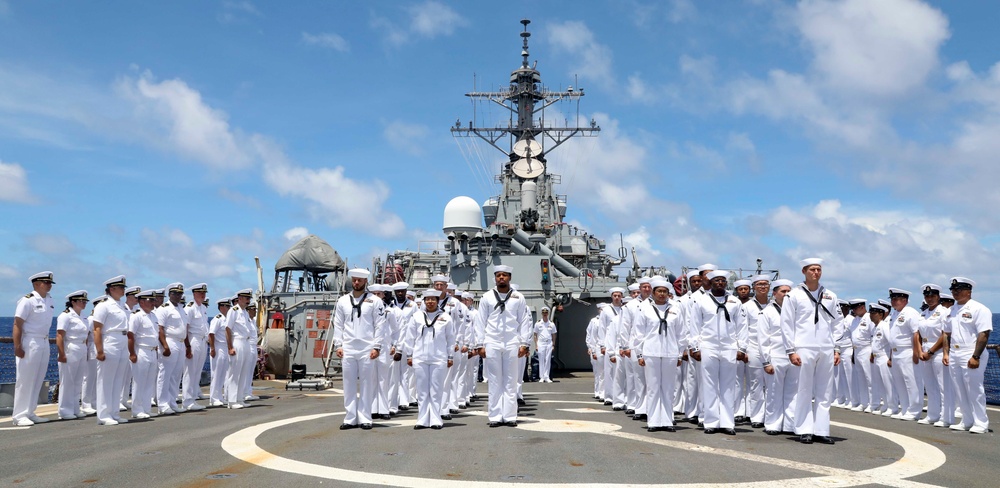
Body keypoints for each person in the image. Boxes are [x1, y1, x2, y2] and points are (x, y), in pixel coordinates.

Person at [779, 258, 846, 444]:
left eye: (818, 269)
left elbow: (838, 323)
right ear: (804, 271)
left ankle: (821, 429)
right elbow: (786, 324)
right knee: (804, 389)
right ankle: (804, 429)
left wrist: (837, 348)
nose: (816, 273)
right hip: (803, 346)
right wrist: (790, 350)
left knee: (825, 391)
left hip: (826, 346)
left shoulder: (830, 296)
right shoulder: (793, 296)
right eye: (812, 269)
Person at [474, 265, 532, 427]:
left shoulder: (518, 297)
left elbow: (524, 321)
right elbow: (480, 322)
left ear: (510, 278)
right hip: (492, 341)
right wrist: (480, 344)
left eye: (505, 275)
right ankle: (495, 416)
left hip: (512, 342)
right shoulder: (487, 297)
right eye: (498, 275)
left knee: (510, 379)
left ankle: (510, 416)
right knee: (494, 380)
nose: (501, 278)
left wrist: (524, 343)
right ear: (495, 278)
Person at [689, 270, 745, 435]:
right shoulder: (701, 301)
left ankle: (728, 422)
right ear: (711, 283)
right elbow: (695, 326)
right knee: (709, 385)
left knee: (728, 386)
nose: (720, 283)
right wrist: (695, 347)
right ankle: (711, 422)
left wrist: (741, 347)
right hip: (709, 345)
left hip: (729, 346)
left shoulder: (734, 301)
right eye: (717, 281)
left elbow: (742, 327)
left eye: (722, 281)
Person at [333, 269, 388, 430]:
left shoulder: (374, 301)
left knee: (366, 384)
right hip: (348, 347)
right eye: (354, 280)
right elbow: (338, 324)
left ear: (365, 282)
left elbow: (380, 325)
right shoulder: (343, 301)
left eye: (359, 280)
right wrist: (338, 344)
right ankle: (350, 417)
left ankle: (365, 418)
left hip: (367, 348)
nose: (356, 283)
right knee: (348, 384)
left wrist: (377, 346)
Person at [633, 277, 687, 432]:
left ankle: (667, 420)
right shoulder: (645, 308)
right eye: (659, 291)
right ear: (653, 293)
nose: (662, 294)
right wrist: (639, 354)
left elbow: (681, 334)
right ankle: (654, 421)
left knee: (669, 387)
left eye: (664, 292)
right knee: (653, 387)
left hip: (670, 352)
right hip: (651, 352)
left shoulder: (676, 309)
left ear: (668, 293)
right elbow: (638, 334)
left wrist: (679, 354)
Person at [942, 277, 991, 434]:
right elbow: (946, 334)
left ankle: (981, 423)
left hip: (971, 351)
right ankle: (967, 420)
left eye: (959, 290)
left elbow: (984, 334)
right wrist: (946, 353)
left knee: (974, 389)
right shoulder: (951, 310)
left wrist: (975, 356)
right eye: (953, 290)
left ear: (968, 291)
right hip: (955, 353)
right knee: (959, 389)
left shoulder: (979, 309)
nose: (955, 293)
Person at [404, 289, 456, 429]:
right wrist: (409, 355)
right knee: (422, 390)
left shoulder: (445, 317)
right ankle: (422, 419)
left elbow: (450, 339)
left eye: (433, 299)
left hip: (438, 358)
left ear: (437, 301)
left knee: (436, 389)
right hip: (420, 357)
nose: (430, 302)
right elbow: (410, 337)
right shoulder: (416, 316)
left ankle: (435, 418)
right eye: (428, 299)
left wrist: (450, 356)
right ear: (424, 301)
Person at [11, 271, 56, 426]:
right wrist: (17, 346)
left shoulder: (49, 299)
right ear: (36, 284)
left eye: (50, 283)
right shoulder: (27, 301)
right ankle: (19, 415)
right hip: (30, 341)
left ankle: (30, 412)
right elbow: (17, 324)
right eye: (46, 282)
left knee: (38, 378)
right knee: (25, 379)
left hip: (44, 341)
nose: (49, 285)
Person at [758, 279, 795, 435]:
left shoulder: (796, 311)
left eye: (788, 291)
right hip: (776, 356)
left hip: (793, 357)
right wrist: (766, 361)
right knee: (773, 392)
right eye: (783, 291)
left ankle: (790, 424)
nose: (786, 294)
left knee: (793, 393)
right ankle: (773, 424)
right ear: (774, 293)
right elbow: (763, 339)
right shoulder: (767, 312)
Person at [92, 275, 131, 425]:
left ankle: (114, 412)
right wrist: (100, 350)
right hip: (110, 340)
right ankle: (103, 415)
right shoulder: (103, 305)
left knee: (117, 380)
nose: (123, 290)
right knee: (106, 381)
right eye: (121, 287)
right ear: (112, 289)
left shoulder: (121, 305)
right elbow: (97, 329)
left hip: (122, 340)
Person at [885, 288, 922, 420]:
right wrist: (891, 356)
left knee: (911, 381)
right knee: (900, 382)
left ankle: (915, 410)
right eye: (892, 299)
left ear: (904, 300)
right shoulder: (894, 314)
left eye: (896, 299)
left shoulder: (910, 312)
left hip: (907, 351)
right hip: (896, 352)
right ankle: (905, 408)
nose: (893, 301)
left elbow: (916, 333)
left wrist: (916, 352)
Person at [155, 283, 191, 415]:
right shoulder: (164, 309)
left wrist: (187, 346)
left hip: (181, 343)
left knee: (176, 375)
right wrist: (165, 345)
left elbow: (185, 329)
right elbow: (160, 329)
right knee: (165, 375)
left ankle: (172, 402)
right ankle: (163, 404)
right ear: (169, 294)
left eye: (180, 293)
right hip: (169, 341)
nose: (178, 296)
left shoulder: (182, 309)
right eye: (175, 293)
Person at [127, 290, 162, 419]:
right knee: (139, 381)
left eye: (154, 300)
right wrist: (132, 353)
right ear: (142, 302)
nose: (153, 303)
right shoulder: (136, 316)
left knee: (149, 382)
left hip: (153, 351)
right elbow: (131, 335)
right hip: (141, 350)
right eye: (150, 300)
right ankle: (137, 409)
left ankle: (146, 408)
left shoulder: (154, 316)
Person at [916, 284, 948, 426]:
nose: (929, 299)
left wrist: (931, 351)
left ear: (938, 297)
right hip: (925, 350)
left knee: (943, 386)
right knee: (930, 386)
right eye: (927, 296)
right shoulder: (923, 313)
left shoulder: (944, 312)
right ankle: (932, 415)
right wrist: (920, 351)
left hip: (939, 350)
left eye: (932, 296)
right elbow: (917, 334)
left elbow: (945, 334)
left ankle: (945, 417)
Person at [55, 289, 89, 420]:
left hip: (81, 347)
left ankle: (75, 408)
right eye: (81, 301)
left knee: (78, 381)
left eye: (85, 301)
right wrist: (61, 353)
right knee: (67, 381)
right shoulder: (66, 315)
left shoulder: (83, 317)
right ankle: (64, 410)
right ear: (73, 302)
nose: (84, 303)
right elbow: (59, 335)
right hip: (71, 347)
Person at [182, 283, 210, 411]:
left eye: (204, 293)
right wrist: (187, 346)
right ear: (194, 294)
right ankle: (187, 400)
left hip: (203, 341)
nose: (203, 295)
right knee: (190, 372)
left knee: (197, 372)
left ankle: (192, 399)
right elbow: (185, 328)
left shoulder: (203, 308)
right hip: (193, 340)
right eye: (200, 293)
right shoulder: (190, 308)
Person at [225, 290, 255, 409]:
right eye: (246, 298)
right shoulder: (234, 311)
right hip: (237, 342)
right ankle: (232, 401)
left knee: (243, 372)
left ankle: (239, 398)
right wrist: (230, 347)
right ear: (240, 298)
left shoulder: (245, 313)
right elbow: (227, 329)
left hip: (246, 342)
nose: (248, 301)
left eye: (249, 298)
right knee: (235, 372)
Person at [869, 304, 894, 416]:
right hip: (876, 357)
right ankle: (885, 405)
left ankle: (892, 406)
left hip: (884, 357)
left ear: (880, 314)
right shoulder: (875, 327)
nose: (871, 315)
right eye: (871, 313)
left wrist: (891, 358)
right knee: (880, 383)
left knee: (888, 384)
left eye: (874, 313)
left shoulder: (884, 326)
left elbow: (891, 342)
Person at [207, 296, 233, 407]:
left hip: (225, 347)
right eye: (227, 306)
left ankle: (219, 396)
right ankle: (213, 398)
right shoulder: (217, 319)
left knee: (223, 374)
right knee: (216, 374)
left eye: (229, 306)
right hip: (218, 347)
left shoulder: (227, 319)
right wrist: (212, 348)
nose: (228, 308)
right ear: (221, 307)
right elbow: (211, 334)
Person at [533, 307, 557, 383]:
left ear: (548, 314)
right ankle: (541, 377)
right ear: (542, 314)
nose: (545, 314)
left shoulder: (551, 324)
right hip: (541, 343)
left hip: (549, 343)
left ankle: (547, 376)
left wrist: (553, 344)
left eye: (546, 313)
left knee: (548, 360)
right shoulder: (538, 323)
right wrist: (536, 345)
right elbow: (535, 335)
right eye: (543, 313)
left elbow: (553, 335)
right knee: (541, 360)